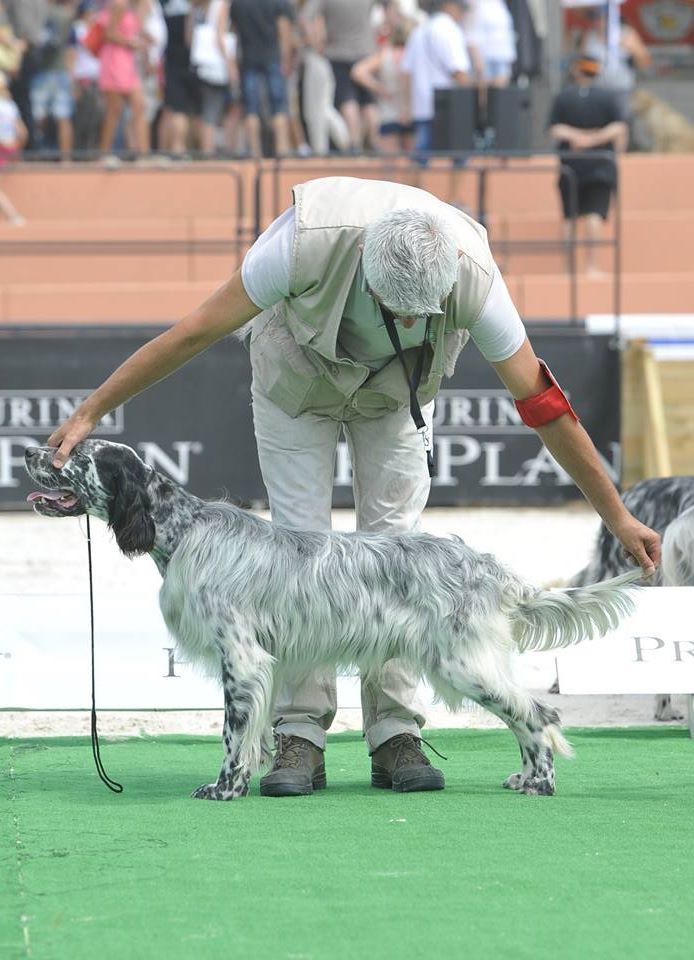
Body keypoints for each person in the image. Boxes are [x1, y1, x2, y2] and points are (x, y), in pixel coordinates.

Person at [47, 175, 661, 797]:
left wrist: (617, 517)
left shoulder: (475, 278)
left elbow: (543, 404)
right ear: (367, 273)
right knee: (291, 554)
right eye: (395, 310)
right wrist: (92, 410)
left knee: (398, 553)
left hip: (400, 394)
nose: (405, 321)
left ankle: (395, 731)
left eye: (419, 315)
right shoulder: (298, 245)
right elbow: (192, 333)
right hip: (296, 380)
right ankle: (298, 735)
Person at [548, 55, 627, 275]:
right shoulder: (609, 97)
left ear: (577, 72)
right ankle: (592, 266)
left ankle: (567, 269)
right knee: (594, 214)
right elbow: (619, 127)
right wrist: (595, 139)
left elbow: (555, 129)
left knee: (569, 217)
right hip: (601, 163)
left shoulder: (563, 96)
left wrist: (578, 138)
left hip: (570, 164)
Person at [400, 0, 472, 157]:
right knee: (458, 160)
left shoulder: (419, 30)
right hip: (447, 108)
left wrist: (406, 107)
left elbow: (406, 73)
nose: (463, 14)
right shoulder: (450, 30)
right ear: (449, 6)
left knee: (420, 160)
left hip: (421, 107)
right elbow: (459, 72)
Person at [230, 0, 293, 158]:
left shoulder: (238, 3)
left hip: (248, 58)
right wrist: (286, 60)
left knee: (251, 108)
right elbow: (284, 31)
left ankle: (255, 153)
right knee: (279, 106)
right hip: (273, 58)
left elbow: (234, 32)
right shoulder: (278, 3)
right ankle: (282, 151)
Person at [350, 20, 413, 153]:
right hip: (412, 114)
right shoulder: (415, 55)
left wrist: (379, 88)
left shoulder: (385, 55)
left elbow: (358, 71)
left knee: (389, 166)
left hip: (388, 113)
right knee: (413, 165)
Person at [97, 0, 150, 156]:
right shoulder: (119, 4)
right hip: (114, 61)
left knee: (139, 106)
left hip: (127, 63)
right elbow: (109, 33)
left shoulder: (131, 6)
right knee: (114, 110)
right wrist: (131, 43)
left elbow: (135, 28)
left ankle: (144, 154)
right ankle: (104, 154)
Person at [30, 0, 76, 159]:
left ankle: (34, 155)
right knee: (63, 117)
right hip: (61, 71)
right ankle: (66, 159)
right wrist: (72, 75)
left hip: (42, 71)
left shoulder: (43, 13)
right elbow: (72, 47)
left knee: (37, 116)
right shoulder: (68, 15)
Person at [0, 68, 27, 223]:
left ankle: (12, 215)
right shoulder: (10, 105)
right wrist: (18, 150)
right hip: (10, 147)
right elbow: (22, 133)